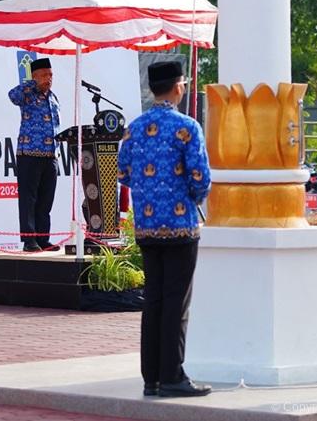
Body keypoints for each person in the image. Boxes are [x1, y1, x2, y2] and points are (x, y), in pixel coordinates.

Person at [118, 61, 212, 398]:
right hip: (180, 227)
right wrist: (189, 197)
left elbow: (124, 173)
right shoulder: (187, 127)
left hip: (145, 225)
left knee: (154, 300)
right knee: (176, 302)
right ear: (177, 87)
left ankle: (152, 377)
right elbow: (201, 177)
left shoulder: (135, 127)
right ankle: (172, 375)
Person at [8, 58, 60, 252]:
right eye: (45, 74)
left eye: (51, 74)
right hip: (29, 153)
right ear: (35, 76)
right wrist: (32, 84)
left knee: (46, 199)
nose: (49, 78)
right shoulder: (27, 94)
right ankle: (29, 240)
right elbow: (12, 96)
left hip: (50, 156)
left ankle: (43, 238)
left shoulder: (53, 98)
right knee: (29, 199)